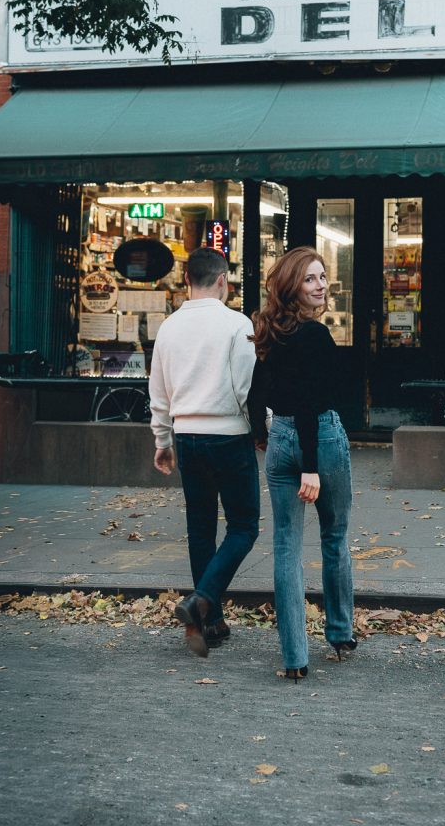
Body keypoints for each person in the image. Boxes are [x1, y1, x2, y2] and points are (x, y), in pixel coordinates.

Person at [248, 247, 356, 683]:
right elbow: (313, 403)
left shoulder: (269, 333)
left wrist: (262, 432)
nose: (321, 284)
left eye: (323, 276)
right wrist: (310, 466)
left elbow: (257, 390)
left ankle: (295, 656)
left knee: (287, 549)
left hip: (280, 442)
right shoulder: (315, 336)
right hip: (320, 440)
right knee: (335, 534)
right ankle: (340, 632)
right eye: (311, 278)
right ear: (293, 286)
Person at [149, 247, 260, 658]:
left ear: (186, 281)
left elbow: (158, 393)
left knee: (200, 526)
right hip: (229, 435)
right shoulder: (236, 324)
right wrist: (260, 427)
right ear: (222, 280)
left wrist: (162, 441)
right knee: (244, 525)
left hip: (186, 435)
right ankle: (202, 602)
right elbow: (245, 387)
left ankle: (210, 621)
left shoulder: (169, 328)